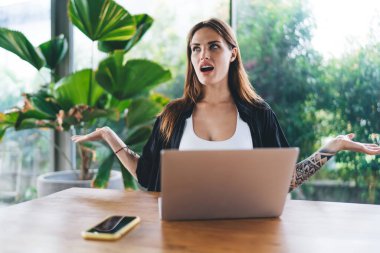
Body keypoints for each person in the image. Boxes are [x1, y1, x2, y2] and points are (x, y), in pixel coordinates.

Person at [72, 18, 380, 192]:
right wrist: (110, 136)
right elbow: (148, 176)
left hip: (246, 234)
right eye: (195, 49)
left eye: (213, 47)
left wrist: (331, 147)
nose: (203, 55)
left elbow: (284, 181)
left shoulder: (259, 115)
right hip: (182, 235)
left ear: (233, 54)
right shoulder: (173, 115)